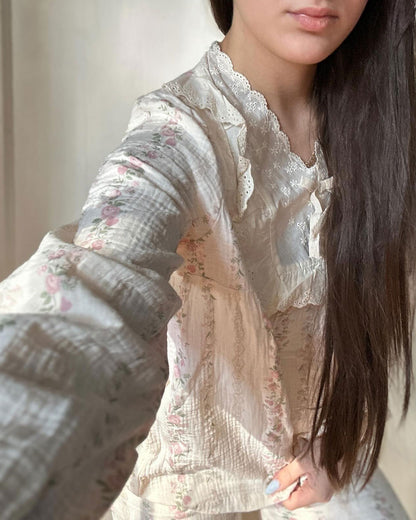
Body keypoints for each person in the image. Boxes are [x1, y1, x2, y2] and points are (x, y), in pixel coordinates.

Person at [0, 0, 415, 518]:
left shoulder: (381, 121)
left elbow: (368, 318)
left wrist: (342, 439)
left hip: (311, 472)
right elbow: (98, 291)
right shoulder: (178, 138)